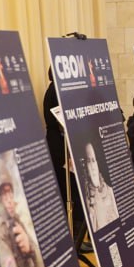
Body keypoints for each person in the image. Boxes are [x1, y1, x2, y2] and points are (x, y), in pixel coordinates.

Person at [43, 67, 86, 247]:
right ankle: (75, 241)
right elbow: (61, 123)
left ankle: (77, 239)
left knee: (74, 194)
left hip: (63, 146)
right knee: (71, 193)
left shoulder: (55, 90)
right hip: (61, 149)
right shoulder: (55, 91)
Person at [0, 158, 45, 267]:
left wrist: (30, 248)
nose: (8, 199)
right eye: (3, 194)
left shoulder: (17, 219)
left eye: (9, 192)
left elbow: (41, 262)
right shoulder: (0, 229)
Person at [80, 140, 119, 229]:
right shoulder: (87, 199)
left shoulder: (110, 191)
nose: (92, 167)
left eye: (93, 160)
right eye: (88, 161)